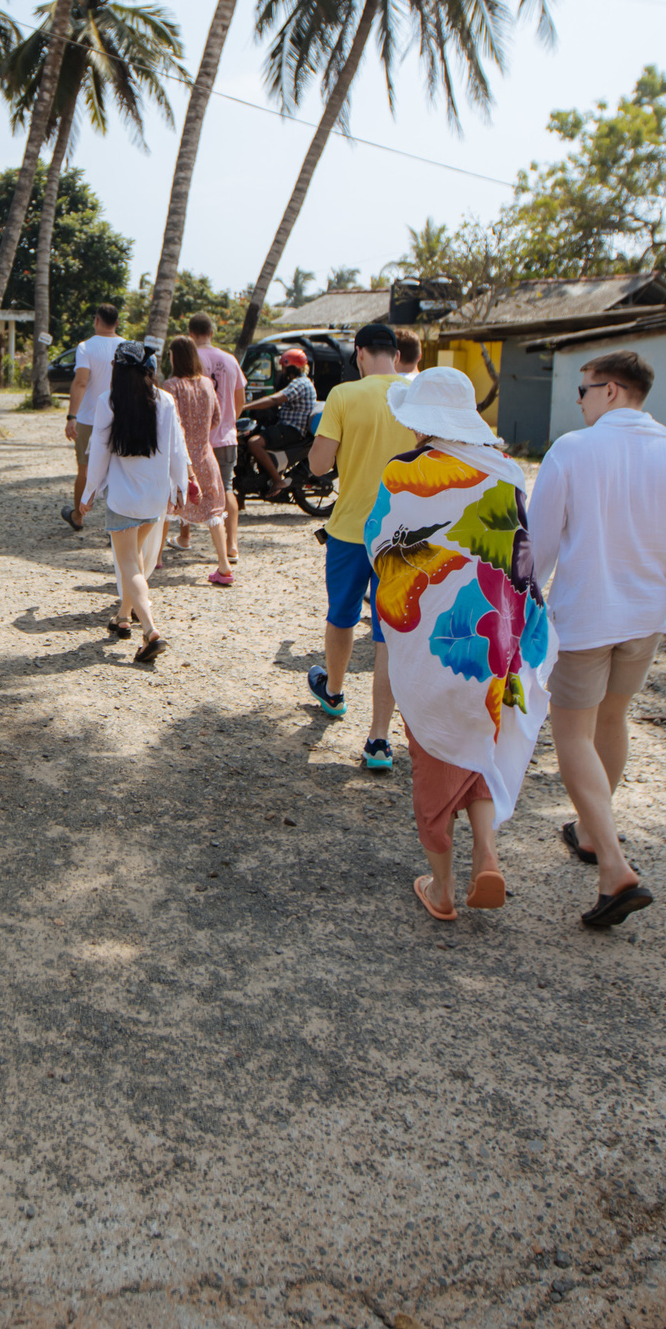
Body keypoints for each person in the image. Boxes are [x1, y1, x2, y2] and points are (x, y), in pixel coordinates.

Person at [526, 348, 666, 931]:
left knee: (571, 733)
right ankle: (590, 831)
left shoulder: (573, 449)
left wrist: (520, 608)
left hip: (587, 615)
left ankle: (613, 866)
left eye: (583, 391)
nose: (580, 402)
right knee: (612, 721)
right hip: (645, 620)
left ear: (610, 390)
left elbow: (538, 546)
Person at [363, 366, 555, 920]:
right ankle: (488, 855)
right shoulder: (508, 474)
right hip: (494, 634)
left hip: (433, 638)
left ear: (421, 423)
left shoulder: (404, 473)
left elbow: (381, 545)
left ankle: (443, 889)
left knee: (432, 748)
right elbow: (522, 560)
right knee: (477, 742)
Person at [306, 323, 418, 768]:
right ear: (395, 353)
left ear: (359, 355)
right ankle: (378, 739)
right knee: (387, 634)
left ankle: (333, 693)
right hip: (405, 535)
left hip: (352, 529)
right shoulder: (418, 397)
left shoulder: (344, 396)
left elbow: (318, 466)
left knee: (342, 616)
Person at [80, 345, 191, 662]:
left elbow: (100, 455)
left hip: (123, 499)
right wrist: (179, 485)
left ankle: (151, 631)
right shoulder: (165, 400)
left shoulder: (109, 402)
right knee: (138, 563)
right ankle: (123, 617)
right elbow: (176, 447)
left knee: (128, 564)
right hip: (154, 499)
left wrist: (89, 493)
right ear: (149, 371)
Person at [163, 335, 235, 585]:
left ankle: (157, 557)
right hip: (205, 455)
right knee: (213, 510)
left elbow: (166, 423)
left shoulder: (170, 386)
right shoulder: (207, 384)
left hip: (179, 457)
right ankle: (224, 566)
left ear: (175, 356)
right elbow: (216, 418)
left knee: (167, 505)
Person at [184, 314, 245, 556]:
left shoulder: (190, 358)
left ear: (190, 333)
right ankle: (232, 544)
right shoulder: (230, 360)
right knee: (227, 487)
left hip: (196, 439)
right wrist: (228, 421)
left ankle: (185, 536)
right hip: (227, 436)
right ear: (213, 332)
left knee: (188, 484)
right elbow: (239, 399)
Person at [62, 304, 124, 531]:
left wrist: (72, 416)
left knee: (84, 470)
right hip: (119, 416)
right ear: (117, 323)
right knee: (118, 471)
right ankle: (116, 524)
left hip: (90, 416)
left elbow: (80, 382)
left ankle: (78, 516)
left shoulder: (85, 347)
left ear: (97, 320)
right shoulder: (127, 347)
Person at [240, 349, 318, 487]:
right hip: (286, 427)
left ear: (291, 367)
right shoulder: (301, 382)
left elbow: (274, 399)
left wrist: (245, 407)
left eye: (284, 367)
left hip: (291, 429)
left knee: (254, 443)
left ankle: (278, 481)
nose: (282, 371)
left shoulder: (300, 383)